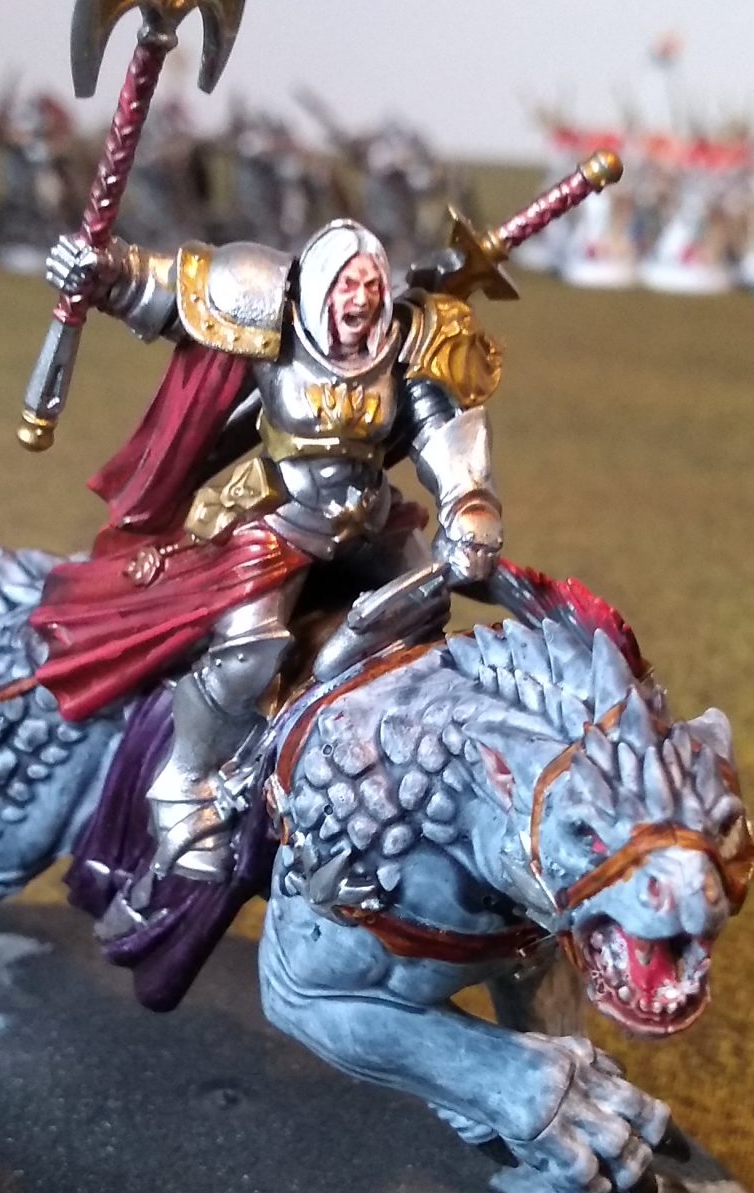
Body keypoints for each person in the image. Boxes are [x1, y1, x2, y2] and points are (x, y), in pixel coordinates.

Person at [34, 218, 505, 882]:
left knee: (425, 608)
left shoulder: (406, 341)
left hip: (369, 520)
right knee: (248, 653)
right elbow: (167, 294)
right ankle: (186, 787)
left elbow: (439, 430)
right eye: (347, 287)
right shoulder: (264, 311)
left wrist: (469, 503)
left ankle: (369, 753)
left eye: (371, 287)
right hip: (281, 516)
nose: (361, 301)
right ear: (318, 287)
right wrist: (104, 271)